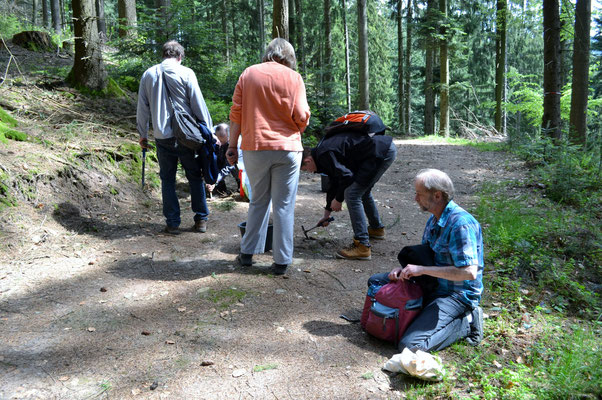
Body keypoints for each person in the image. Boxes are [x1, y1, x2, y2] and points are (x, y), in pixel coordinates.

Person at [368, 168, 484, 352]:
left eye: (419, 194)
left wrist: (421, 270)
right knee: (376, 282)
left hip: (456, 295)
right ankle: (422, 310)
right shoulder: (434, 219)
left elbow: (469, 273)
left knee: (411, 345)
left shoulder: (461, 224)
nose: (415, 199)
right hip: (432, 283)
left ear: (437, 196)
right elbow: (427, 257)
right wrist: (404, 270)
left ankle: (467, 321)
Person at [226, 38, 310, 275]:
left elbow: (236, 115)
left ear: (268, 53)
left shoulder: (248, 74)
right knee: (284, 206)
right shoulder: (294, 78)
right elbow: (302, 116)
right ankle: (282, 261)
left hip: (255, 147)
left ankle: (247, 252)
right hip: (288, 148)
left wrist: (232, 146)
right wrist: (296, 129)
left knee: (258, 201)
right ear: (289, 57)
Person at [137, 40, 213, 234]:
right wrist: (209, 131)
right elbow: (198, 104)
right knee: (194, 176)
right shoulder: (186, 73)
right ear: (180, 57)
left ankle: (172, 222)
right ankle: (201, 219)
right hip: (186, 135)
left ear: (164, 54)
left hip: (163, 136)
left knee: (167, 179)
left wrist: (143, 135)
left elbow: (143, 109)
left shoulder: (148, 74)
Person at [300, 132, 397, 260]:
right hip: (383, 148)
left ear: (308, 160)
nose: (311, 172)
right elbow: (334, 182)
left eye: (307, 169)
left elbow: (347, 177)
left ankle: (362, 246)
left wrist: (339, 199)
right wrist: (326, 214)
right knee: (363, 191)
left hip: (380, 152)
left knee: (352, 194)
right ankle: (376, 229)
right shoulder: (321, 154)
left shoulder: (324, 154)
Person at [206, 123, 239, 198]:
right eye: (219, 140)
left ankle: (241, 185)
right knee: (215, 161)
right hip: (219, 156)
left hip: (234, 160)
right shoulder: (212, 133)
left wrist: (215, 181)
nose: (220, 143)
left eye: (223, 142)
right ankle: (220, 190)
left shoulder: (236, 142)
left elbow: (229, 166)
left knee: (235, 166)